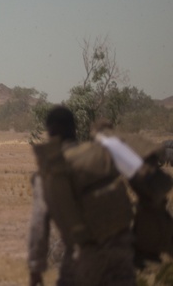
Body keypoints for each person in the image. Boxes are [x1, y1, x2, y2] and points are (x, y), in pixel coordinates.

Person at [29, 105, 135, 286]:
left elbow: (40, 222)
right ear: (74, 128)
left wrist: (36, 267)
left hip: (85, 255)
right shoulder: (99, 156)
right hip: (122, 252)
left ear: (50, 131)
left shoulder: (54, 170)